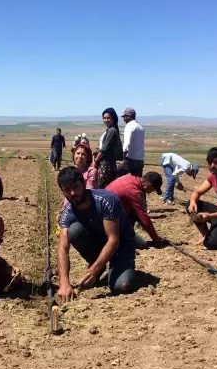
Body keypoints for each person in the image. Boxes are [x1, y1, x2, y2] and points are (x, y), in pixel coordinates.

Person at [56, 167, 137, 302]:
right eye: (66, 190)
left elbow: (113, 240)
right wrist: (64, 282)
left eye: (75, 187)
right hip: (100, 242)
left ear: (83, 183)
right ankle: (99, 265)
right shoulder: (68, 214)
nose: (72, 193)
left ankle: (120, 265)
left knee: (121, 286)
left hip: (121, 244)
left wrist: (93, 270)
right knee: (73, 230)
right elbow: (62, 249)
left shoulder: (106, 200)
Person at [106, 172, 165, 247]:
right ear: (148, 186)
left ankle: (125, 234)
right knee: (143, 244)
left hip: (108, 211)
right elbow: (143, 218)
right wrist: (155, 238)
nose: (150, 193)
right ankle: (122, 239)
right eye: (153, 190)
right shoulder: (134, 192)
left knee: (134, 212)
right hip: (107, 220)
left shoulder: (129, 177)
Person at [94, 107, 123, 188]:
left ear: (113, 118)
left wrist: (95, 161)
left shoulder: (112, 130)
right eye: (104, 118)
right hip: (107, 165)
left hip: (106, 166)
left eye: (108, 118)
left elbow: (104, 149)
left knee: (101, 188)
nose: (106, 120)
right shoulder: (110, 130)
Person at [119, 108, 145, 177]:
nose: (124, 119)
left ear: (129, 116)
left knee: (118, 177)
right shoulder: (140, 127)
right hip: (140, 160)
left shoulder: (129, 126)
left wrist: (123, 159)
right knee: (136, 182)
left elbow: (126, 144)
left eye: (124, 117)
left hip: (130, 160)